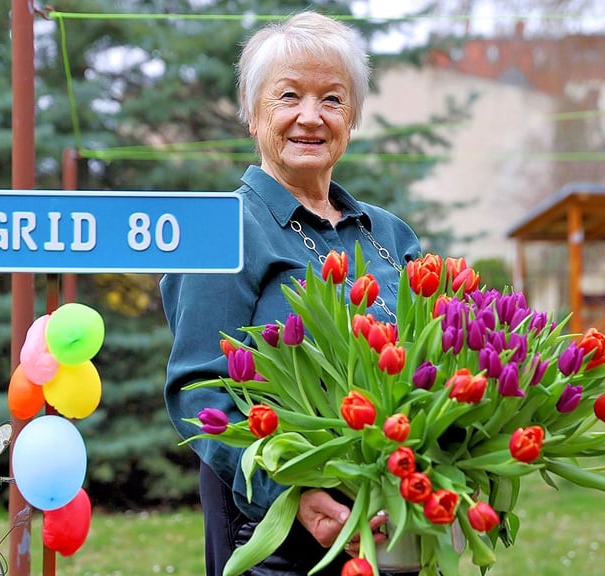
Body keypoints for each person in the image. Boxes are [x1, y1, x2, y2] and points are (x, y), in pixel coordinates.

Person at [161, 11, 421, 576]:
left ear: (352, 118)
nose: (311, 117)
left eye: (332, 99)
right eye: (288, 97)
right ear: (253, 116)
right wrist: (291, 494)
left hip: (396, 523)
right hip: (275, 536)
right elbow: (198, 391)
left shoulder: (390, 235)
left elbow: (434, 362)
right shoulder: (223, 228)